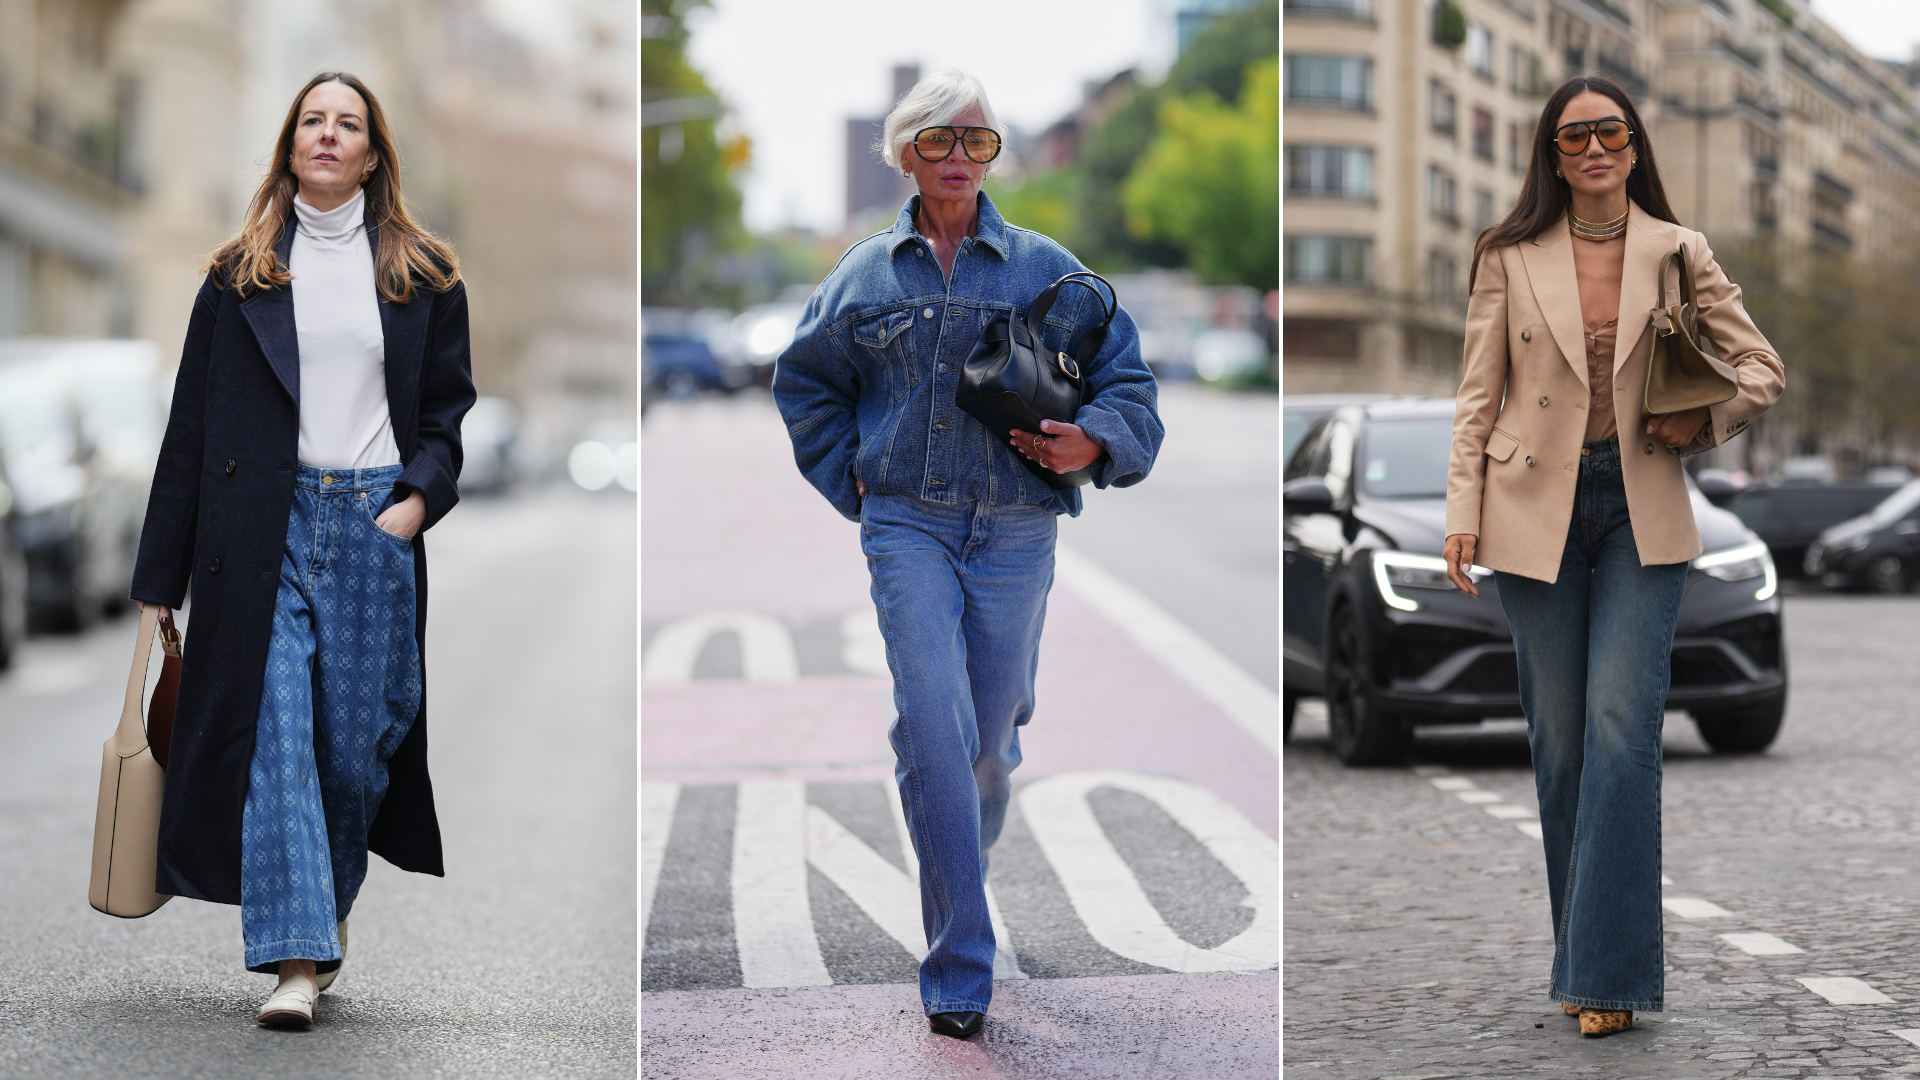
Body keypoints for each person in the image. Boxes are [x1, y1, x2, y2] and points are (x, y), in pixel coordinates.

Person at [773, 68, 1163, 1039]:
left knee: (988, 745)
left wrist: (1096, 442)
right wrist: (849, 479)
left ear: (994, 156)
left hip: (1018, 529)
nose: (958, 159)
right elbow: (804, 384)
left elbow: (1132, 386)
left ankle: (961, 857)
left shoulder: (1042, 268)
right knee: (932, 725)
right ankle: (959, 960)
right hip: (906, 525)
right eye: (940, 141)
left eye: (977, 143)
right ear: (907, 152)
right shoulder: (865, 277)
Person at [131, 71, 474, 1028]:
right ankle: (295, 960)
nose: (328, 135)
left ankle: (322, 913)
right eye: (312, 121)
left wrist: (412, 505)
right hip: (260, 532)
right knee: (275, 734)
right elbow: (189, 428)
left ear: (373, 153)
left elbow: (447, 417)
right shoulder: (238, 274)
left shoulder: (424, 273)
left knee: (350, 756)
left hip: (370, 523)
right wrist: (159, 574)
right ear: (289, 146)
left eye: (347, 124)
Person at [1443, 75, 1784, 1037]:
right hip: (1527, 507)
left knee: (1620, 731)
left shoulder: (1680, 252)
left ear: (1635, 145)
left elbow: (1762, 367)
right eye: (1574, 136)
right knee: (1558, 744)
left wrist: (1701, 421)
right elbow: (1478, 396)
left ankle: (1607, 977)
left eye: (1611, 132)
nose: (1594, 149)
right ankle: (1584, 955)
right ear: (1553, 156)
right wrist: (1460, 511)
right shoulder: (1506, 254)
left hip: (1641, 504)